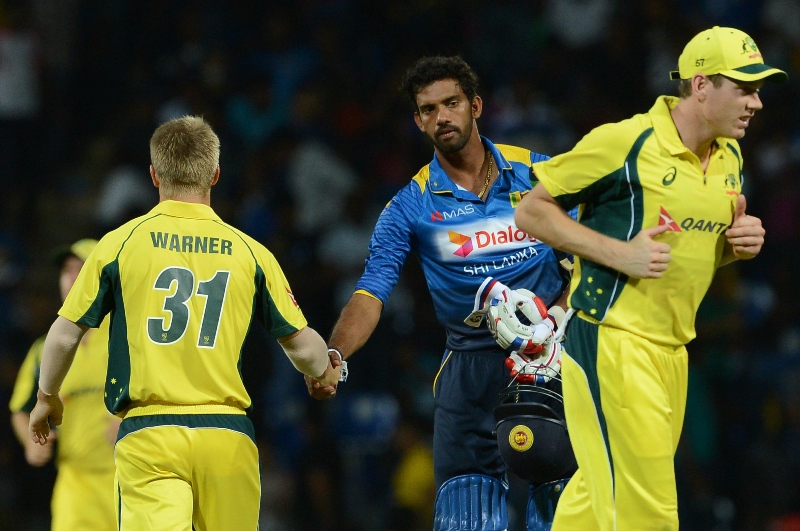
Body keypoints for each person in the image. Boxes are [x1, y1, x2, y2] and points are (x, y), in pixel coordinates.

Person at [513, 26, 784, 530]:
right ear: (701, 85)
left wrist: (733, 246)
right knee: (648, 509)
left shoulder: (730, 157)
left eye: (759, 89)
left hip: (672, 349)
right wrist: (621, 254)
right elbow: (531, 211)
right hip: (612, 339)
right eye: (745, 87)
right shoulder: (626, 143)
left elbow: (683, 252)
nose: (756, 102)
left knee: (598, 497)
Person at [28, 115, 341, 530]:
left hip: (150, 432)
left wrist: (47, 395)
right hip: (227, 436)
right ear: (215, 174)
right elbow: (301, 344)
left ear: (155, 175)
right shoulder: (251, 252)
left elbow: (65, 334)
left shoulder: (119, 244)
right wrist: (325, 370)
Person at [305, 55, 575, 530]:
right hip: (469, 376)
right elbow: (370, 292)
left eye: (451, 103)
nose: (441, 117)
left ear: (475, 106)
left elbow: (591, 257)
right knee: (466, 515)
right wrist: (335, 352)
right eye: (428, 109)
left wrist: (557, 317)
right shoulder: (409, 205)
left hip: (552, 359)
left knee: (563, 514)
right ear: (418, 121)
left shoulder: (539, 173)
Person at [10, 238, 118, 530]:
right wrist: (30, 444)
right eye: (66, 270)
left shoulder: (128, 336)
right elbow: (21, 410)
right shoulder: (45, 349)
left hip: (129, 478)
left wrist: (133, 418)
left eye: (80, 268)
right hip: (75, 482)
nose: (71, 278)